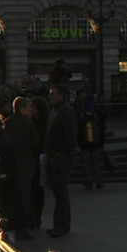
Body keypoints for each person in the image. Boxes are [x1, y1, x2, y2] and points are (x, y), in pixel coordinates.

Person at [1, 96, 39, 240]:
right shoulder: (27, 124)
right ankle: (23, 229)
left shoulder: (7, 123)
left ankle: (11, 224)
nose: (30, 111)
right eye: (28, 108)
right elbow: (35, 143)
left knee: (12, 197)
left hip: (10, 166)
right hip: (24, 166)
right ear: (22, 108)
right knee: (24, 198)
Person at [43, 84, 77, 237]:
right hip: (55, 156)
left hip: (61, 157)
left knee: (61, 191)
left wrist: (61, 153)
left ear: (61, 95)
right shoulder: (56, 111)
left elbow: (69, 136)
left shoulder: (66, 112)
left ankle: (62, 225)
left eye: (54, 94)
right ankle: (60, 224)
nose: (51, 96)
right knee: (58, 192)